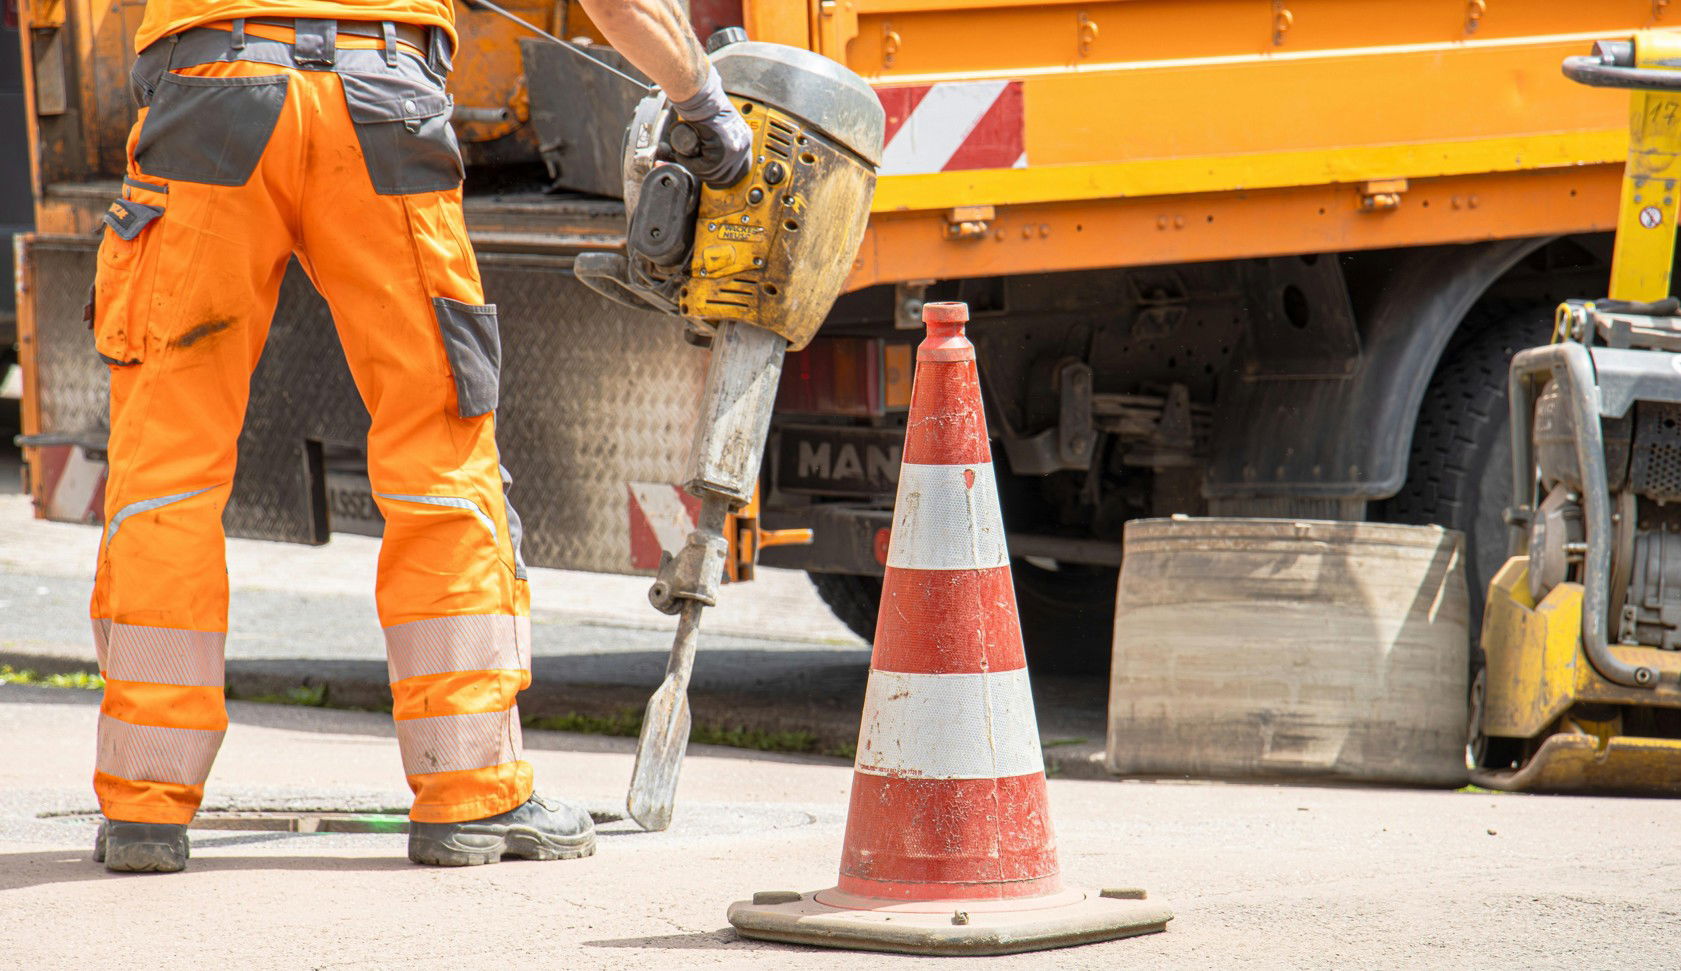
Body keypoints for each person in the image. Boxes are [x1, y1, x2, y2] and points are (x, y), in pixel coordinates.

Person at [87, 0, 750, 872]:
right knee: (439, 451)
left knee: (167, 465)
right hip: (381, 99)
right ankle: (470, 795)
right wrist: (701, 102)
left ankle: (145, 805)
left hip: (207, 95)